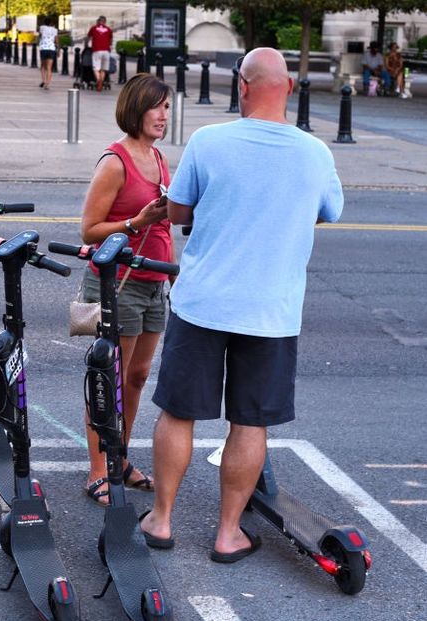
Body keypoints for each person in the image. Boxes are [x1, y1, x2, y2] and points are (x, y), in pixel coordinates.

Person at [139, 48, 343, 561]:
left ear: (242, 87)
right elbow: (329, 212)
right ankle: (228, 533)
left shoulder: (210, 141)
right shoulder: (315, 153)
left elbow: (179, 208)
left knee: (178, 413)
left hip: (204, 302)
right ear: (290, 90)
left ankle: (161, 520)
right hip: (270, 311)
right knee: (250, 422)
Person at [78, 73, 173, 505]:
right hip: (120, 283)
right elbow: (90, 230)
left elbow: (164, 225)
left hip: (154, 282)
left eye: (168, 107)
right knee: (110, 378)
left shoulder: (158, 158)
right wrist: (138, 222)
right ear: (136, 108)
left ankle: (119, 458)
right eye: (157, 106)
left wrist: (174, 273)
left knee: (136, 378)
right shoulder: (115, 162)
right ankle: (99, 470)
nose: (164, 115)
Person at [86, 16, 114, 91]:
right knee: (103, 69)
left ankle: (99, 80)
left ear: (98, 21)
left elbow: (88, 37)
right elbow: (111, 40)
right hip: (106, 51)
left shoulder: (93, 28)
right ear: (105, 22)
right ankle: (101, 80)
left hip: (97, 50)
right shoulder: (109, 29)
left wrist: (86, 46)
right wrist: (109, 46)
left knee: (95, 68)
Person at [38, 19, 58, 90]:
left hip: (43, 48)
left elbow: (40, 36)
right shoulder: (54, 30)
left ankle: (43, 80)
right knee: (49, 67)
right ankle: (47, 84)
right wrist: (58, 49)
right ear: (51, 23)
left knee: (43, 66)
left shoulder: (42, 28)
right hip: (51, 49)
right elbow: (56, 41)